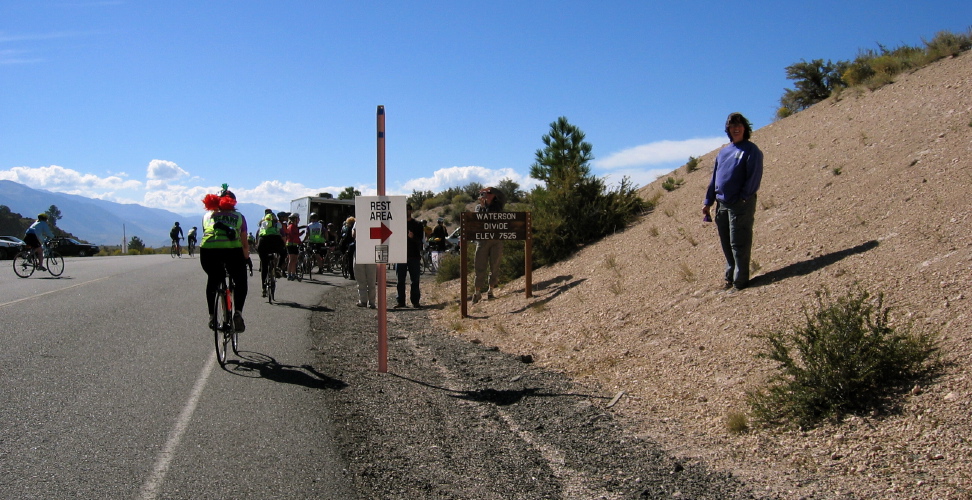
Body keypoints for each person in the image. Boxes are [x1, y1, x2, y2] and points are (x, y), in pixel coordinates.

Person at [703, 112, 764, 292]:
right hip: (722, 204)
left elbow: (754, 177)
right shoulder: (723, 152)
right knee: (727, 242)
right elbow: (715, 178)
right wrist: (708, 201)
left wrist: (744, 197)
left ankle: (740, 282)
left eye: (739, 125)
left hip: (740, 204)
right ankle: (729, 277)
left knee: (739, 243)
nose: (735, 128)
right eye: (732, 126)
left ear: (745, 128)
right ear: (728, 130)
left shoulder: (751, 150)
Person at [200, 185, 249, 332]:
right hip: (232, 251)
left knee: (213, 279)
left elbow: (206, 234)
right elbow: (244, 244)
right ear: (233, 203)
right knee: (240, 280)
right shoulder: (239, 217)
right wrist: (246, 258)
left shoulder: (206, 216)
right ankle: (238, 313)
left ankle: (211, 317)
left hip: (207, 251)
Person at [472, 187, 505, 303]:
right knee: (479, 265)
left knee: (495, 265)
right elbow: (478, 221)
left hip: (496, 239)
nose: (487, 195)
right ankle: (477, 292)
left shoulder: (498, 206)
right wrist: (482, 207)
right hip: (483, 240)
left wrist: (491, 188)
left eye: (489, 193)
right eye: (486, 193)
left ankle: (491, 290)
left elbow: (502, 194)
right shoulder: (478, 207)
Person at [394, 204, 424, 308]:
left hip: (414, 256)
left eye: (407, 209)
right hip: (400, 256)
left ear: (411, 211)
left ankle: (415, 301)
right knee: (400, 281)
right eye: (404, 209)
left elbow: (420, 242)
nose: (406, 211)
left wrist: (413, 237)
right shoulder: (398, 224)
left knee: (415, 281)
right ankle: (401, 301)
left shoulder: (418, 225)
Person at [256, 212, 285, 296]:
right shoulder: (277, 224)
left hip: (263, 242)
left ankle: (264, 288)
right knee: (283, 253)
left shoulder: (261, 226)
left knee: (264, 266)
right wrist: (283, 247)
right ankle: (278, 268)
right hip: (275, 241)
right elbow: (282, 236)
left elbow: (257, 239)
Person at [350, 220, 377, 308]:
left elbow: (354, 234)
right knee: (366, 279)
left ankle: (368, 301)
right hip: (363, 251)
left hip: (367, 251)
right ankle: (367, 301)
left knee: (367, 279)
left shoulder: (372, 221)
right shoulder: (359, 221)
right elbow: (354, 234)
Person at [282, 213, 303, 280]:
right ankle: (289, 274)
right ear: (295, 219)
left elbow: (296, 235)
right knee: (291, 260)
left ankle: (293, 274)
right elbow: (293, 236)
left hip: (294, 244)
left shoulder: (295, 226)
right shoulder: (291, 226)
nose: (299, 220)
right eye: (298, 219)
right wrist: (299, 237)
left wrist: (300, 236)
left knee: (295, 260)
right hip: (291, 244)